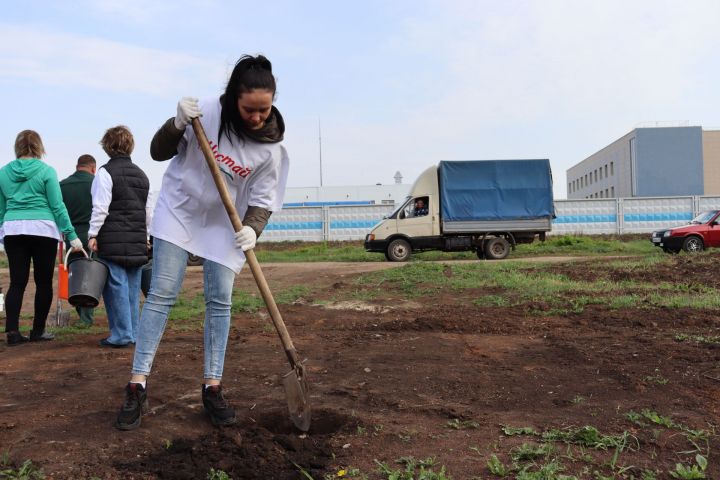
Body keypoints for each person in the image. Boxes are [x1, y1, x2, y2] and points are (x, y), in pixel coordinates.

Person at [115, 54, 289, 430]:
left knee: (220, 300)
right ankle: (137, 383)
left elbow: (263, 200)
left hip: (226, 222)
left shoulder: (270, 149)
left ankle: (213, 386)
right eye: (249, 110)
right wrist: (176, 123)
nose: (257, 117)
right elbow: (158, 152)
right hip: (180, 207)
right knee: (161, 292)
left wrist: (252, 229)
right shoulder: (204, 113)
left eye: (264, 110)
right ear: (232, 98)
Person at [0, 130, 83, 346]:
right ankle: (38, 330)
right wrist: (72, 235)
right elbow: (57, 206)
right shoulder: (47, 171)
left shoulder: (3, 173)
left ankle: (13, 332)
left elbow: (1, 208)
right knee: (43, 282)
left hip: (13, 229)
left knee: (17, 282)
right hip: (43, 229)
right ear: (39, 147)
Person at [88, 126, 150, 348]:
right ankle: (133, 332)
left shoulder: (105, 173)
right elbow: (147, 211)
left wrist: (93, 233)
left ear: (107, 146)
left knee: (116, 288)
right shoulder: (142, 175)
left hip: (112, 240)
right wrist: (147, 236)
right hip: (137, 239)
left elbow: (100, 208)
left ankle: (120, 335)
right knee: (132, 289)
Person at [60, 154, 97, 327]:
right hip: (94, 235)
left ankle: (84, 317)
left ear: (77, 167)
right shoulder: (96, 183)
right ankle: (89, 317)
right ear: (93, 168)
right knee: (94, 274)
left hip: (72, 236)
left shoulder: (63, 185)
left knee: (77, 276)